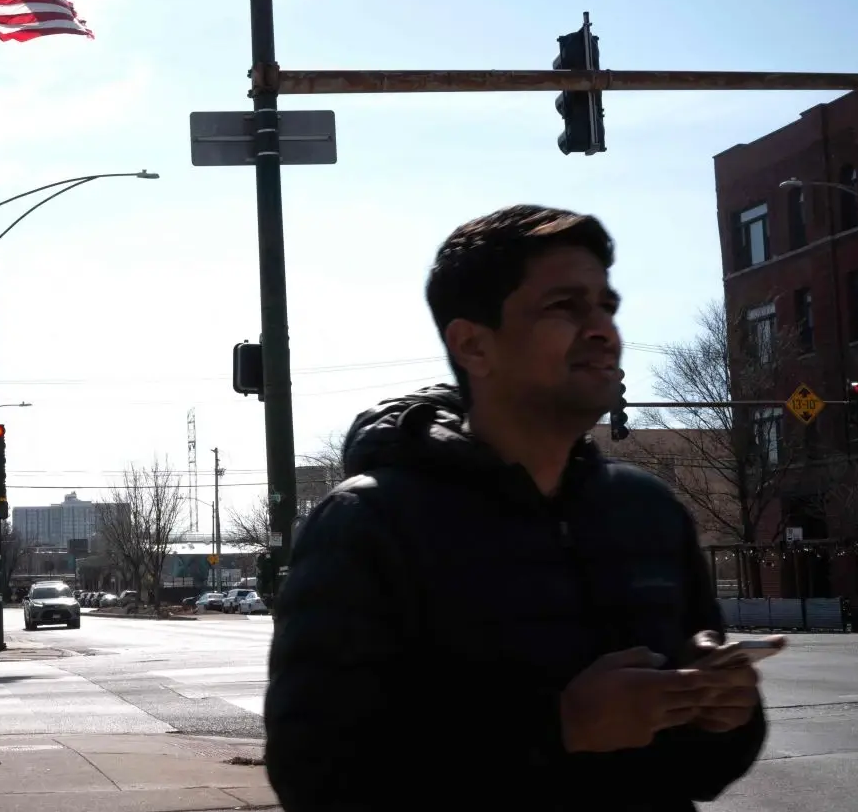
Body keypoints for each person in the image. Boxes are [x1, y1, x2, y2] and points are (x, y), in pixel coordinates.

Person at [265, 205, 771, 811]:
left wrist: (724, 713)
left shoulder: (649, 510)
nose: (603, 329)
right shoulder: (369, 525)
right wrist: (561, 729)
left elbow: (701, 771)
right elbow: (316, 778)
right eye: (565, 306)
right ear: (473, 345)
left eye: (606, 306)